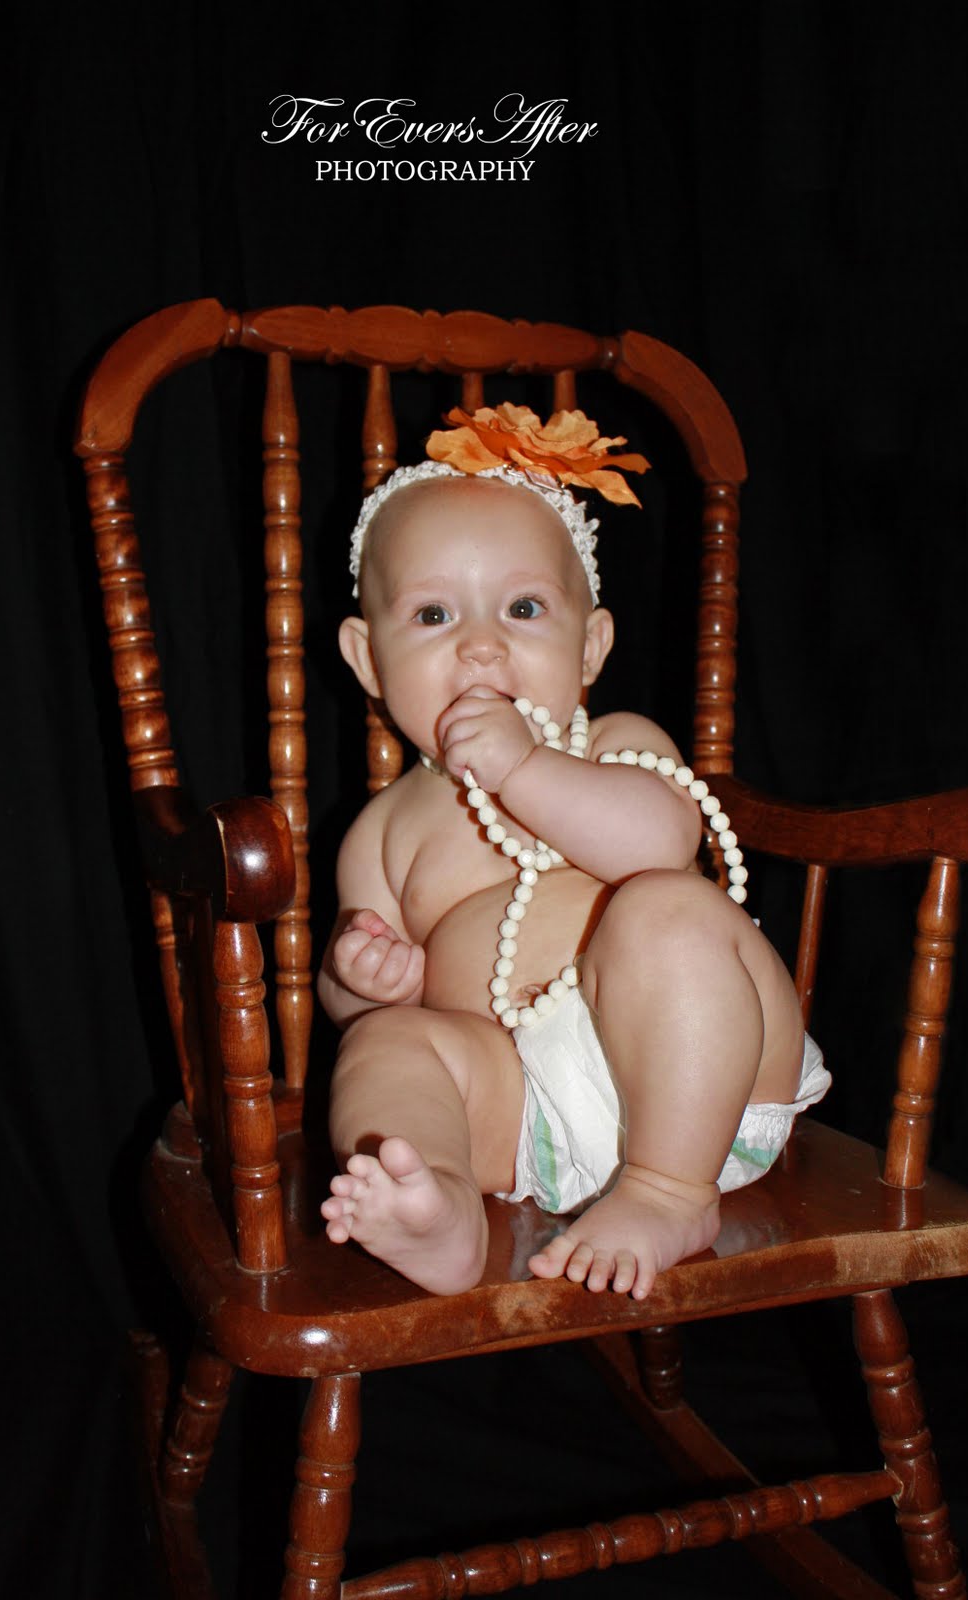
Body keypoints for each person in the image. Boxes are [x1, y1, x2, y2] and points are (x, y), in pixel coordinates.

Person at [318, 404, 829, 1299]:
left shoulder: (612, 743)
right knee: (386, 1043)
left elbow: (662, 842)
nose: (481, 645)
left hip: (699, 1080)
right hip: (524, 1117)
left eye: (523, 609)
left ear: (588, 646)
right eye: (433, 614)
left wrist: (524, 767)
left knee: (665, 906)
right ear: (368, 661)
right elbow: (347, 1004)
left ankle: (669, 1193)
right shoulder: (383, 832)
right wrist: (362, 978)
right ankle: (440, 1202)